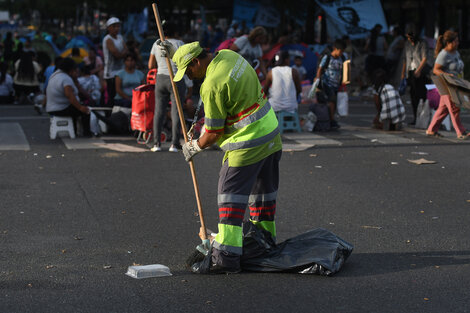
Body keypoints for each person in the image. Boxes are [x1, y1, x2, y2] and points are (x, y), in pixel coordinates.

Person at [159, 41, 282, 273]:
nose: (191, 77)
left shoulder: (211, 84)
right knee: (263, 197)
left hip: (248, 143)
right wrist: (176, 54)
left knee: (230, 198)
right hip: (271, 135)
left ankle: (226, 256)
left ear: (196, 61)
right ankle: (263, 243)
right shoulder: (228, 55)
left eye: (190, 70)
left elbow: (213, 132)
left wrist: (194, 146)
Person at [148, 22, 186, 152]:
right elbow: (185, 62)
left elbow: (150, 65)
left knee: (159, 111)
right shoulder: (179, 43)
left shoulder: (157, 43)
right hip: (176, 77)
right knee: (176, 111)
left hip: (161, 78)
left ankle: (156, 143)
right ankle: (174, 144)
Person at [426, 30, 467, 139]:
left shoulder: (456, 52)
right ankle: (461, 132)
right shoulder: (443, 54)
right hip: (446, 85)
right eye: (456, 41)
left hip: (456, 84)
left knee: (443, 109)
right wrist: (447, 75)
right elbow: (435, 70)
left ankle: (431, 129)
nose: (458, 43)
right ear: (450, 42)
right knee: (454, 108)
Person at [45, 58, 91, 136]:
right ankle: (87, 133)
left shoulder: (55, 75)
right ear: (71, 69)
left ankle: (74, 131)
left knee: (74, 109)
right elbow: (69, 95)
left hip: (52, 107)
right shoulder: (66, 79)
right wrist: (80, 107)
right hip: (60, 108)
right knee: (85, 112)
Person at [314, 39, 346, 129]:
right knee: (331, 101)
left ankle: (330, 118)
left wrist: (343, 83)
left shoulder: (342, 58)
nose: (341, 53)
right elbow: (320, 69)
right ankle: (331, 121)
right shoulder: (327, 57)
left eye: (343, 51)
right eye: (340, 51)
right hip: (327, 83)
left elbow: (344, 70)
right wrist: (317, 80)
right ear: (334, 48)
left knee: (334, 103)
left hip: (336, 84)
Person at [401, 25, 429, 125]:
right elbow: (405, 59)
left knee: (421, 94)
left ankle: (423, 117)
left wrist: (419, 70)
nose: (409, 39)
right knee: (413, 95)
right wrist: (403, 73)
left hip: (420, 72)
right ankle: (415, 117)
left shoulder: (422, 43)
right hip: (410, 71)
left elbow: (424, 58)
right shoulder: (407, 44)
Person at [102, 17, 127, 107]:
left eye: (118, 26)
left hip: (120, 71)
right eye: (114, 26)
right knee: (111, 96)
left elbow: (126, 50)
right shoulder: (108, 39)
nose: (117, 28)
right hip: (110, 73)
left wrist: (122, 53)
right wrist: (122, 53)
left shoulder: (120, 37)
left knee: (120, 95)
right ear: (109, 28)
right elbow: (116, 54)